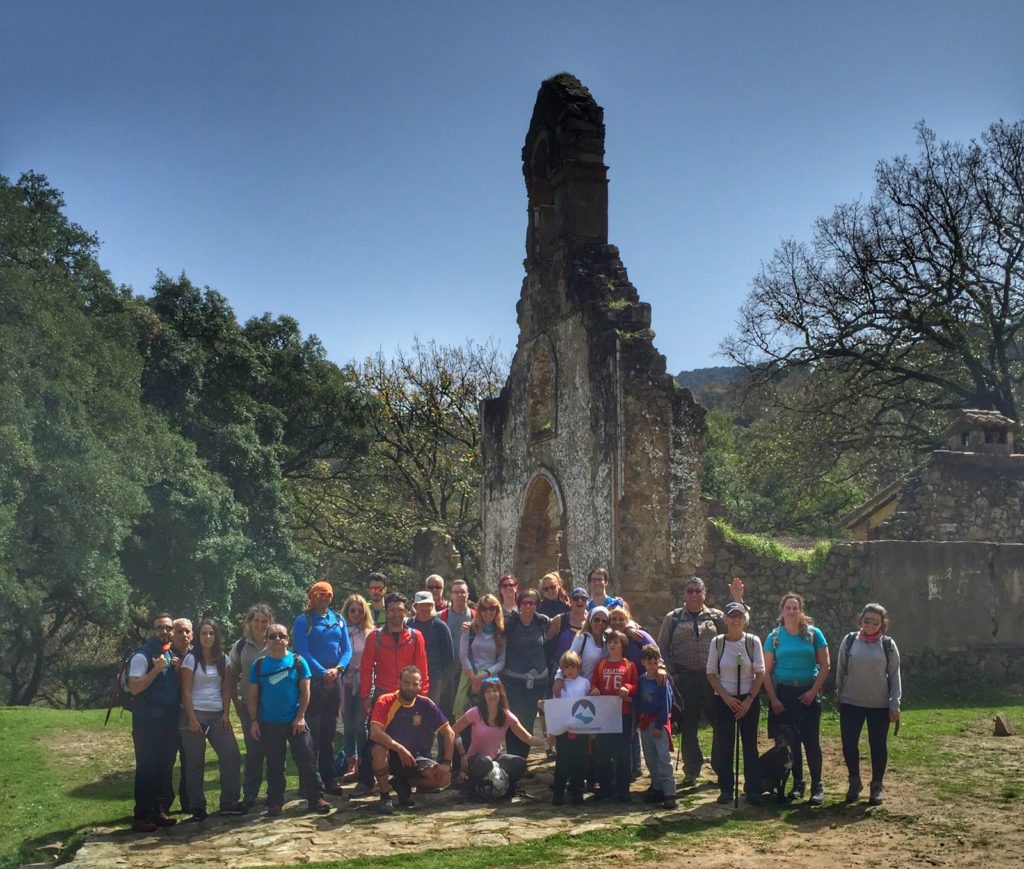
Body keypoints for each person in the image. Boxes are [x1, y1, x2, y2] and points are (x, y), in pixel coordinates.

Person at [656, 576, 746, 787]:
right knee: (688, 725)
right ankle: (692, 769)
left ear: (705, 593)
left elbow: (738, 626)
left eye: (698, 591)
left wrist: (738, 599)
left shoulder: (716, 617)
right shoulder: (674, 618)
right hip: (684, 678)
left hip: (713, 679)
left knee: (719, 724)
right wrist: (671, 673)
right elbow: (662, 647)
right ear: (684, 594)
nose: (694, 595)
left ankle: (719, 766)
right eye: (690, 591)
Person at [247, 623, 330, 816]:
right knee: (275, 764)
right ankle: (275, 801)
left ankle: (316, 798)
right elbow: (252, 695)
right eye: (273, 636)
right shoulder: (258, 665)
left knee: (307, 760)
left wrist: (300, 716)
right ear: (266, 640)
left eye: (281, 636)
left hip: (296, 721)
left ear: (287, 639)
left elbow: (305, 692)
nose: (277, 640)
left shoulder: (298, 662)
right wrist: (254, 721)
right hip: (269, 722)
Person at [353, 592, 429, 796]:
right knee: (374, 740)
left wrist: (422, 696)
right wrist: (366, 697)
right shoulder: (375, 636)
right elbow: (367, 668)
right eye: (392, 610)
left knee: (412, 737)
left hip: (409, 694)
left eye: (400, 610)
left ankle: (413, 778)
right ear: (386, 612)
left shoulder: (415, 636)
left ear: (406, 612)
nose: (396, 614)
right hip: (383, 694)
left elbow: (422, 668)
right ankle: (366, 780)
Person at [763, 592, 830, 806]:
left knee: (811, 741)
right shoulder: (774, 637)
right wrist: (773, 699)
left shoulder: (813, 634)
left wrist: (813, 692)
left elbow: (826, 665)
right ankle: (797, 783)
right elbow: (765, 671)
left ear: (801, 611)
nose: (791, 611)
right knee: (791, 743)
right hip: (784, 694)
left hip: (807, 693)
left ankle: (817, 785)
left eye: (795, 608)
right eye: (788, 608)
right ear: (782, 611)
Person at [836, 603, 902, 806]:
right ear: (860, 621)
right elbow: (840, 669)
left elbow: (895, 674)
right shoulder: (849, 641)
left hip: (879, 705)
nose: (870, 625)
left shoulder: (888, 645)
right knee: (849, 745)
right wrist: (839, 695)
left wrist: (895, 703)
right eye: (867, 620)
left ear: (882, 624)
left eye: (875, 622)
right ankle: (854, 781)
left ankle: (876, 786)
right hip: (851, 702)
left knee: (878, 746)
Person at [179, 618, 244, 819]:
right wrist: (191, 718)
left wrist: (226, 713)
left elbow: (226, 687)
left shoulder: (222, 658)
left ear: (216, 636)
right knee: (194, 762)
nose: (208, 637)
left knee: (231, 754)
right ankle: (197, 806)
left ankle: (229, 802)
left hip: (217, 714)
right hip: (195, 713)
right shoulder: (191, 659)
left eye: (211, 633)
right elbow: (186, 691)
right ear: (198, 637)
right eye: (204, 633)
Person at [368, 665, 456, 814]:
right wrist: (399, 748)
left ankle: (402, 782)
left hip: (414, 756)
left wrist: (447, 763)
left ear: (420, 685)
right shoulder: (386, 700)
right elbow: (374, 733)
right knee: (378, 751)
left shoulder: (426, 704)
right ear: (399, 683)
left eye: (415, 684)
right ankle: (385, 797)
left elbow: (450, 733)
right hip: (389, 753)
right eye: (406, 683)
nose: (410, 687)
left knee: (444, 778)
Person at [293, 581, 352, 797]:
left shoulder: (338, 619)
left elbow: (346, 649)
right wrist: (322, 672)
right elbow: (302, 651)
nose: (324, 598)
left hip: (335, 680)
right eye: (319, 594)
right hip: (312, 682)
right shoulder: (303, 621)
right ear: (311, 596)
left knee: (328, 733)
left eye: (328, 594)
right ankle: (308, 782)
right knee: (311, 735)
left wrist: (338, 669)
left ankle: (329, 779)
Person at [705, 602, 765, 806]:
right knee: (725, 746)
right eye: (732, 616)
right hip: (724, 700)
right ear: (726, 619)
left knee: (750, 745)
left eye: (740, 616)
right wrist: (726, 697)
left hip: (748, 699)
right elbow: (711, 672)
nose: (736, 619)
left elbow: (760, 673)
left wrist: (748, 700)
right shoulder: (717, 642)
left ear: (745, 619)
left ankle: (753, 789)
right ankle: (726, 788)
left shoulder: (752, 641)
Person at [127, 613, 181, 832]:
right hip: (146, 721)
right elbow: (135, 687)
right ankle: (141, 815)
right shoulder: (142, 656)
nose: (165, 632)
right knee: (147, 767)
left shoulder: (169, 654)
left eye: (169, 628)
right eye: (160, 628)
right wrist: (156, 670)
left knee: (164, 765)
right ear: (153, 631)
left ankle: (158, 811)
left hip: (167, 719)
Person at [451, 677, 542, 800]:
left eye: (494, 691)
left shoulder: (507, 716)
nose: (491, 694)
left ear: (500, 694)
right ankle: (471, 785)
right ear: (483, 695)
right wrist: (463, 754)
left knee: (520, 764)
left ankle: (508, 787)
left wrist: (548, 741)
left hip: (496, 759)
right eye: (488, 691)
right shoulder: (475, 712)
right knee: (484, 763)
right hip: (476, 760)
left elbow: (528, 738)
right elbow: (453, 731)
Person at [501, 588, 555, 758]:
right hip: (513, 681)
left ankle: (522, 760)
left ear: (536, 605)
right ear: (519, 603)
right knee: (514, 719)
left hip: (537, 682)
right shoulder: (509, 623)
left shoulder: (542, 622)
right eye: (525, 602)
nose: (528, 606)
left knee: (529, 718)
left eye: (532, 603)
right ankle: (512, 758)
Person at [228, 603, 273, 811]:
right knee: (254, 752)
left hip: (273, 707)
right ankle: (249, 795)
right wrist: (235, 701)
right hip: (248, 706)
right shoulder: (240, 646)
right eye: (256, 620)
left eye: (264, 621)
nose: (260, 625)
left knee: (275, 751)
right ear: (250, 621)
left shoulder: (276, 643)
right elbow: (231, 673)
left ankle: (275, 794)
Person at [589, 630, 637, 802]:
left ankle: (624, 788)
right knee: (604, 753)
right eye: (609, 642)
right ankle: (605, 787)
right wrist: (594, 689)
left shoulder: (629, 665)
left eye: (616, 642)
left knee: (623, 753)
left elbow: (635, 684)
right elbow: (594, 682)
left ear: (622, 646)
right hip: (604, 714)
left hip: (623, 714)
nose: (612, 645)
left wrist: (628, 688)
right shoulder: (601, 665)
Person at [636, 644, 677, 809]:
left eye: (655, 662)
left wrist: (660, 725)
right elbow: (639, 699)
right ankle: (657, 787)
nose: (652, 666)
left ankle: (670, 793)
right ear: (643, 662)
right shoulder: (641, 680)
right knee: (650, 757)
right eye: (649, 662)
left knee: (663, 758)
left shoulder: (662, 682)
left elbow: (666, 706)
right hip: (645, 723)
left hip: (658, 723)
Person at [548, 650, 591, 805]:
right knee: (562, 762)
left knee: (580, 761)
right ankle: (558, 792)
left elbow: (589, 702)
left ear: (578, 667)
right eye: (567, 667)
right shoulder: (559, 685)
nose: (570, 670)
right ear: (562, 669)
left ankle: (576, 790)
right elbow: (556, 706)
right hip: (564, 730)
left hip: (581, 729)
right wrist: (552, 731)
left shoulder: (585, 683)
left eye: (573, 667)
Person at [339, 593, 374, 782]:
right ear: (347, 611)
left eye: (360, 611)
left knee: (361, 724)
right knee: (348, 725)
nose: (356, 614)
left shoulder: (370, 632)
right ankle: (350, 760)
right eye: (353, 610)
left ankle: (363, 760)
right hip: (345, 683)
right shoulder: (341, 631)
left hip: (364, 682)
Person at [454, 593, 506, 718]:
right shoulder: (470, 628)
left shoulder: (501, 632)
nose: (488, 612)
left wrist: (485, 674)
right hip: (469, 675)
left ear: (497, 610)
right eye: (484, 609)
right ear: (479, 611)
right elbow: (463, 655)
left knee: (490, 714)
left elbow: (501, 662)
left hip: (490, 677)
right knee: (464, 711)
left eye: (492, 608)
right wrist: (473, 677)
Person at [163, 616, 193, 815]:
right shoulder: (164, 655)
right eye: (179, 631)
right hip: (168, 716)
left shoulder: (196, 655)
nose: (184, 635)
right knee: (167, 760)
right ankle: (163, 804)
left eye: (187, 631)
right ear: (173, 634)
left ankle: (189, 801)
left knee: (190, 759)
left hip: (190, 715)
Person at [439, 580, 475, 719]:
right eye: (456, 592)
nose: (459, 595)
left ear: (468, 595)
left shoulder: (476, 616)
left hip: (468, 673)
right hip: (447, 674)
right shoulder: (441, 616)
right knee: (445, 713)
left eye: (462, 592)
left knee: (466, 712)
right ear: (451, 595)